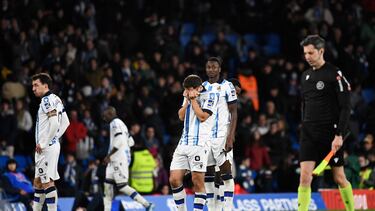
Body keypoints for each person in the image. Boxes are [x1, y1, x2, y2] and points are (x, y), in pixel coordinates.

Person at [298, 35, 354, 211]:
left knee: (339, 177)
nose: (307, 56)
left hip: (330, 133)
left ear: (321, 51)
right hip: (308, 133)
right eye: (305, 53)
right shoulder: (305, 76)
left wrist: (339, 135)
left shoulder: (334, 74)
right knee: (305, 177)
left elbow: (346, 108)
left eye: (311, 53)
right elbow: (305, 104)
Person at [169, 74, 219, 211]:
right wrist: (187, 100)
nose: (187, 91)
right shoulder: (187, 96)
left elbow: (202, 117)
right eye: (186, 89)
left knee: (197, 182)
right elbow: (181, 116)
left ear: (198, 88)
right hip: (183, 143)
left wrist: (194, 100)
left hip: (200, 144)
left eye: (189, 89)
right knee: (174, 180)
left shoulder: (211, 97)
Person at [102, 106, 154, 211]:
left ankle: (146, 204)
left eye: (105, 115)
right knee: (107, 186)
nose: (103, 118)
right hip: (115, 160)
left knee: (122, 186)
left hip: (118, 160)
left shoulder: (115, 123)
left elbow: (120, 140)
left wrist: (109, 156)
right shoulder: (123, 125)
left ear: (110, 114)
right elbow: (131, 142)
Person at [203, 57, 238, 211]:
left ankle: (228, 208)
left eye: (214, 67)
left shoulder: (227, 86)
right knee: (209, 172)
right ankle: (212, 208)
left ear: (219, 69)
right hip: (206, 137)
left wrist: (230, 137)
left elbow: (234, 112)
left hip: (222, 136)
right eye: (208, 67)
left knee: (225, 172)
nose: (211, 69)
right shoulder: (202, 87)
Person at [31, 73, 70, 211]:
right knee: (38, 183)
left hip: (45, 148)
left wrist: (45, 142)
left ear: (45, 85)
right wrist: (54, 138)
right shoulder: (57, 99)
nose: (33, 88)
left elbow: (54, 123)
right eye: (32, 86)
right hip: (48, 146)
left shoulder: (46, 100)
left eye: (36, 85)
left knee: (47, 182)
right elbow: (66, 122)